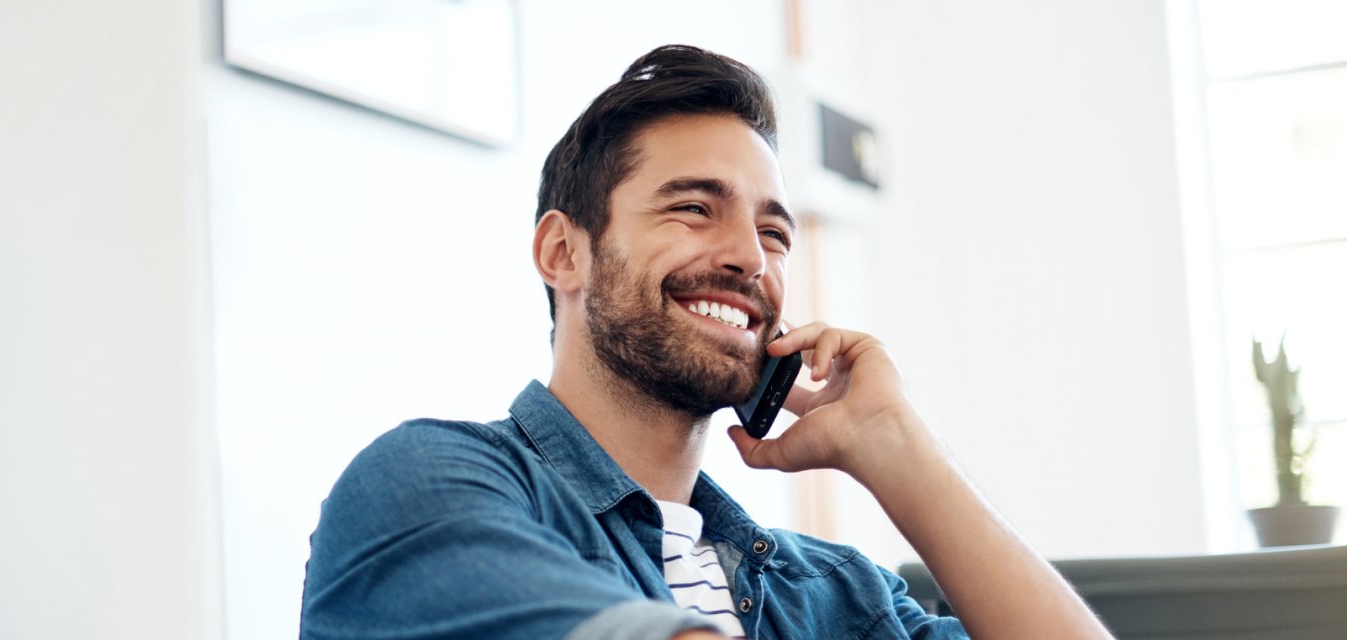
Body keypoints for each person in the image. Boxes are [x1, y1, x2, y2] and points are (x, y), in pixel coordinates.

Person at [299, 44, 1111, 640]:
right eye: (694, 207)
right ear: (563, 252)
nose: (750, 258)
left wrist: (898, 447)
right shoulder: (425, 487)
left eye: (773, 232)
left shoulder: (837, 594)